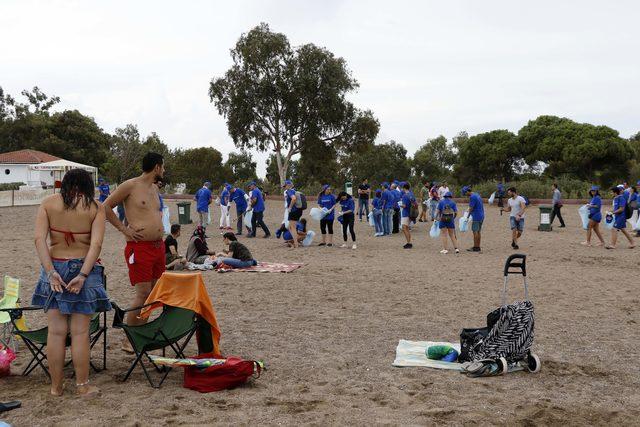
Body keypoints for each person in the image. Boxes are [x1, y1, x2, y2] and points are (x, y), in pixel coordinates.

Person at [32, 169, 110, 397]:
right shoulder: (95, 207)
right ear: (88, 186)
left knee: (55, 332)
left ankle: (56, 387)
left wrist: (50, 272)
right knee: (80, 332)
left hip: (54, 265)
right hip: (82, 266)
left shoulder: (48, 203)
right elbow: (95, 245)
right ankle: (82, 385)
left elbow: (39, 239)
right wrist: (83, 275)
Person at [104, 152, 166, 348]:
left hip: (158, 247)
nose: (164, 171)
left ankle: (139, 334)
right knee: (142, 293)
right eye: (163, 167)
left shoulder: (155, 188)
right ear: (157, 167)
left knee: (153, 293)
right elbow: (105, 206)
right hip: (139, 248)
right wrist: (124, 229)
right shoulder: (130, 185)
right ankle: (129, 338)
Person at [463, 185, 485, 252]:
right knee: (478, 231)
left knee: (475, 231)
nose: (465, 195)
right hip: (481, 215)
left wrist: (467, 217)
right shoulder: (477, 194)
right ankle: (478, 246)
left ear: (467, 191)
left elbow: (471, 208)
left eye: (465, 193)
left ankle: (475, 247)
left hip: (476, 216)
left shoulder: (472, 197)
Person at [284, 180, 302, 248]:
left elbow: (293, 199)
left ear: (288, 185)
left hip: (293, 211)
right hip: (298, 211)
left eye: (285, 186)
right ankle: (296, 241)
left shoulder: (289, 191)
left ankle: (296, 244)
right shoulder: (295, 191)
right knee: (289, 227)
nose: (285, 187)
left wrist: (290, 208)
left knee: (293, 228)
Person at [400, 183, 415, 249]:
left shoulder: (405, 196)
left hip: (405, 213)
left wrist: (400, 205)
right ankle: (409, 242)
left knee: (404, 228)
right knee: (407, 228)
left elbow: (404, 206)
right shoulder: (411, 194)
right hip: (411, 213)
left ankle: (409, 243)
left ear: (404, 188)